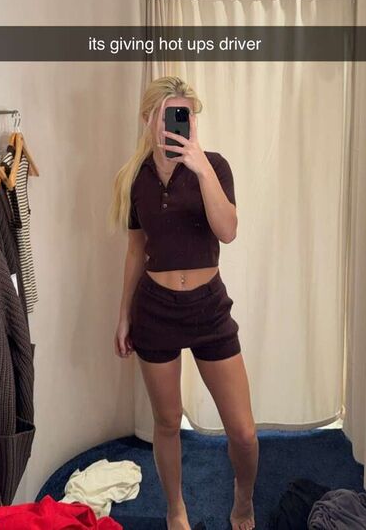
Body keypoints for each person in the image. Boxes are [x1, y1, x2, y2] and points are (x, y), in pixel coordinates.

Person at [109, 76, 258, 530]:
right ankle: (176, 509)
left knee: (243, 432)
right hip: (155, 309)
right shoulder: (134, 178)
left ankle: (243, 499)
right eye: (169, 115)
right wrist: (123, 314)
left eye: (186, 116)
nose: (179, 124)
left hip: (209, 309)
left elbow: (228, 231)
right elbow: (136, 250)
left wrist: (201, 167)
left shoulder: (215, 166)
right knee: (168, 421)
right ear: (148, 119)